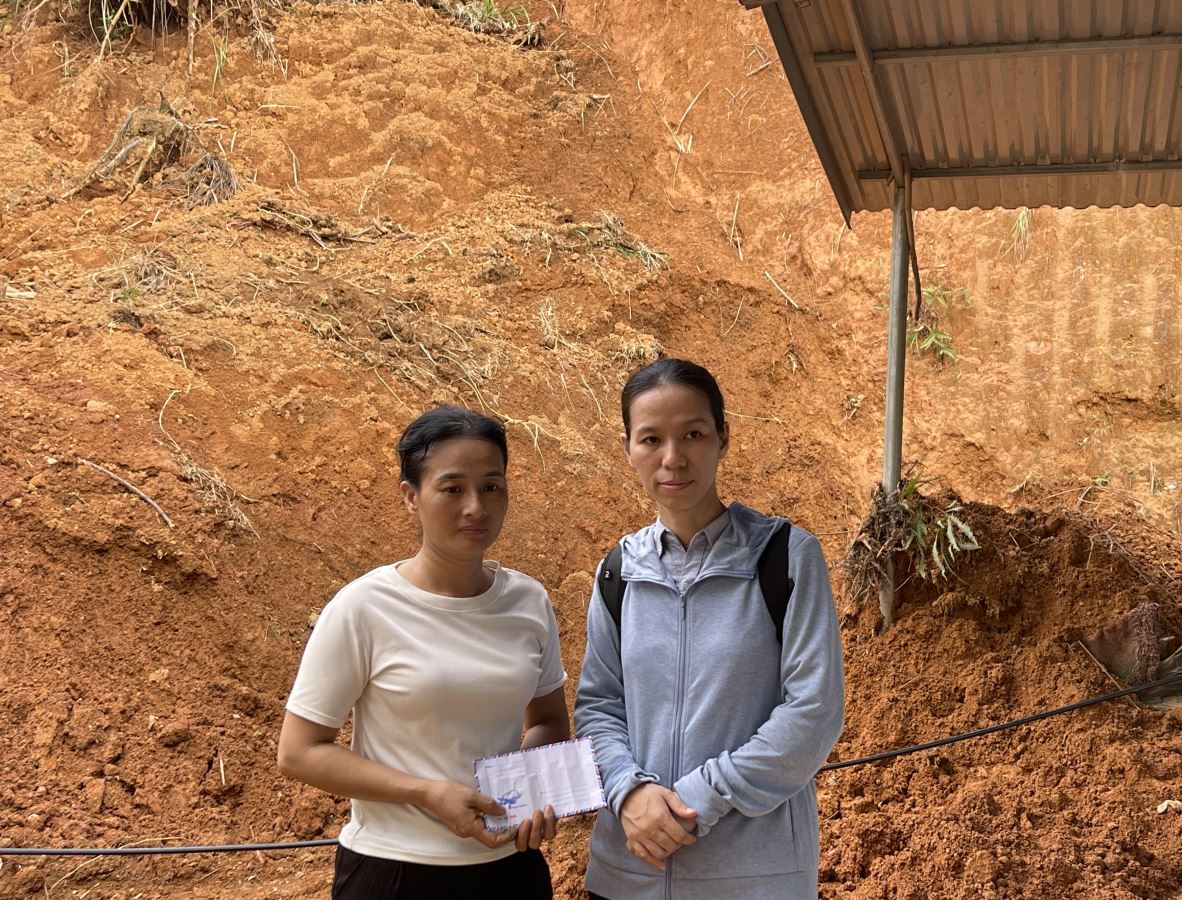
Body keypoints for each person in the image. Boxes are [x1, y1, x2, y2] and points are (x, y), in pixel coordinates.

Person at [574, 358, 845, 900]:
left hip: (753, 880)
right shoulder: (618, 572)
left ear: (724, 437)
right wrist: (629, 792)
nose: (672, 458)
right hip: (628, 876)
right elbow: (598, 706)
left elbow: (814, 712)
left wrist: (697, 799)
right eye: (651, 439)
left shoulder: (785, 558)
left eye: (693, 435)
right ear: (627, 448)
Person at [278, 405, 570, 899]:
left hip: (510, 868)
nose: (475, 507)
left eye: (491, 486)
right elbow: (299, 752)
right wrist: (427, 793)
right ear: (410, 497)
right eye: (452, 489)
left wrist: (528, 791)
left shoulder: (528, 601)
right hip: (394, 871)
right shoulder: (364, 607)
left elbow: (548, 721)